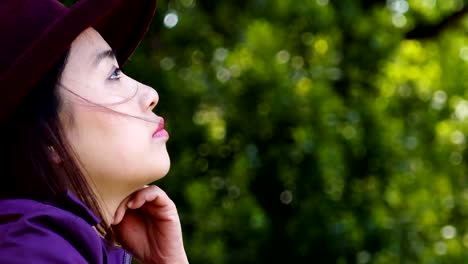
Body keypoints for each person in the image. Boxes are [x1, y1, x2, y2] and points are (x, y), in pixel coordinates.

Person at [0, 0, 189, 263]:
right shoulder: (32, 250)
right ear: (46, 140)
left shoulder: (49, 245)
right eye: (113, 74)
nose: (150, 95)